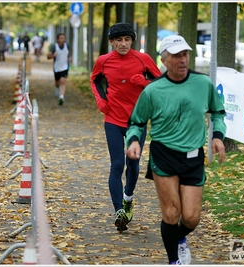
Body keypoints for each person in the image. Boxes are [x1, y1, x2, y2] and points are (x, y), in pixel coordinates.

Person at [125, 35, 226, 265]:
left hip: (193, 156)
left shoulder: (203, 84)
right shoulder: (153, 91)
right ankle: (174, 261)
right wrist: (133, 141)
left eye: (185, 54)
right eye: (176, 55)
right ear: (164, 60)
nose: (182, 60)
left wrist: (218, 136)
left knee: (191, 217)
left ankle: (180, 237)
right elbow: (137, 122)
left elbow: (217, 112)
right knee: (171, 213)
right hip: (164, 155)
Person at [90, 22, 161, 232]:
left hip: (137, 122)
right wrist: (100, 101)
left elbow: (163, 84)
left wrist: (144, 83)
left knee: (133, 163)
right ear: (111, 41)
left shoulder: (143, 59)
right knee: (117, 164)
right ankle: (119, 210)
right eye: (119, 40)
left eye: (127, 39)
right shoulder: (103, 61)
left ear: (133, 40)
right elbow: (95, 81)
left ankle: (128, 198)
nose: (123, 44)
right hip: (112, 120)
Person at [47, 33, 71, 106]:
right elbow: (48, 56)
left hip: (65, 67)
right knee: (57, 83)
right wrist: (52, 55)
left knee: (63, 81)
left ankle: (61, 97)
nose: (63, 40)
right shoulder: (54, 47)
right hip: (57, 67)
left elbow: (69, 54)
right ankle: (57, 89)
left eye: (64, 38)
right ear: (58, 39)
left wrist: (69, 58)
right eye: (61, 38)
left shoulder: (67, 46)